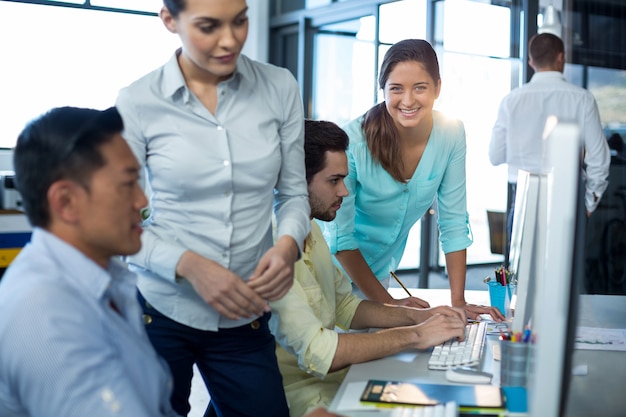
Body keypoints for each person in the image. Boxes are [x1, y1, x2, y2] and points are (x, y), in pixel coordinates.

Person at [114, 0, 310, 416]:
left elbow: (293, 193)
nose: (230, 40)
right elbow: (118, 223)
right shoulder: (137, 101)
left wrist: (288, 246)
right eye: (208, 27)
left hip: (245, 314)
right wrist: (189, 265)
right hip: (161, 312)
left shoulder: (280, 87)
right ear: (170, 20)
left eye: (240, 21)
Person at [269, 119, 468, 417]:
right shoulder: (271, 246)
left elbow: (345, 306)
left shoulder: (309, 225)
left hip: (338, 380)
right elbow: (319, 351)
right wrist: (417, 336)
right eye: (334, 181)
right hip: (304, 397)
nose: (345, 192)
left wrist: (418, 317)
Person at [0, 106, 179, 417]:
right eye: (127, 184)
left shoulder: (106, 278)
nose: (142, 200)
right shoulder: (46, 314)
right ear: (66, 202)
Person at [318, 39, 503, 320]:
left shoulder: (451, 134)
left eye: (420, 87)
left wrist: (459, 302)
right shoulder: (353, 141)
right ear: (383, 90)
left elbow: (453, 220)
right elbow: (341, 239)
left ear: (437, 88)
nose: (408, 100)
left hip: (377, 279)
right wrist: (390, 304)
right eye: (396, 89)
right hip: (326, 274)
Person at [489, 32, 610, 245]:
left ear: (530, 61)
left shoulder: (511, 101)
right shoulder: (582, 99)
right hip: (567, 202)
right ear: (561, 57)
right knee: (564, 278)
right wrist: (589, 204)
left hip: (522, 203)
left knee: (519, 277)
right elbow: (599, 160)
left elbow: (496, 156)